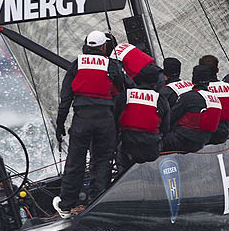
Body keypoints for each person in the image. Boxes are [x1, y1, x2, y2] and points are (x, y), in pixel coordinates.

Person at [53, 30, 124, 219]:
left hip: (82, 120)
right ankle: (97, 203)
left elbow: (65, 99)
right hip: (105, 120)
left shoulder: (77, 64)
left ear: (86, 45)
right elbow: (123, 91)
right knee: (102, 161)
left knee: (75, 162)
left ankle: (67, 206)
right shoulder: (112, 64)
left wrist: (60, 126)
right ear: (103, 47)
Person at [115, 64, 170, 173]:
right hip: (151, 149)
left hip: (128, 145)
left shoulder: (126, 95)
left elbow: (115, 118)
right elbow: (165, 128)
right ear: (155, 82)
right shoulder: (160, 99)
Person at [162, 65, 222, 153]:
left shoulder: (188, 96)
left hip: (184, 140)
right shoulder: (216, 99)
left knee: (157, 142)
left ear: (193, 78)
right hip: (203, 141)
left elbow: (170, 117)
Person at [199, 55, 229, 144]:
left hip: (209, 136)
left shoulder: (200, 90)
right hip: (226, 132)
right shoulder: (228, 86)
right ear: (217, 70)